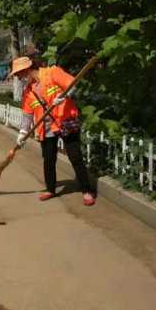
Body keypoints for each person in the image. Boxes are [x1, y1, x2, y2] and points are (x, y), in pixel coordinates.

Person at [9, 53, 96, 206]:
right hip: (46, 127)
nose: (19, 78)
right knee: (49, 159)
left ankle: (87, 190)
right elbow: (27, 114)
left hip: (65, 121)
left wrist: (64, 95)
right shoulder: (28, 92)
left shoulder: (52, 72)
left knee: (75, 156)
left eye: (19, 74)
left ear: (28, 69)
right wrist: (22, 132)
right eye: (17, 76)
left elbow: (72, 84)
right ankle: (50, 189)